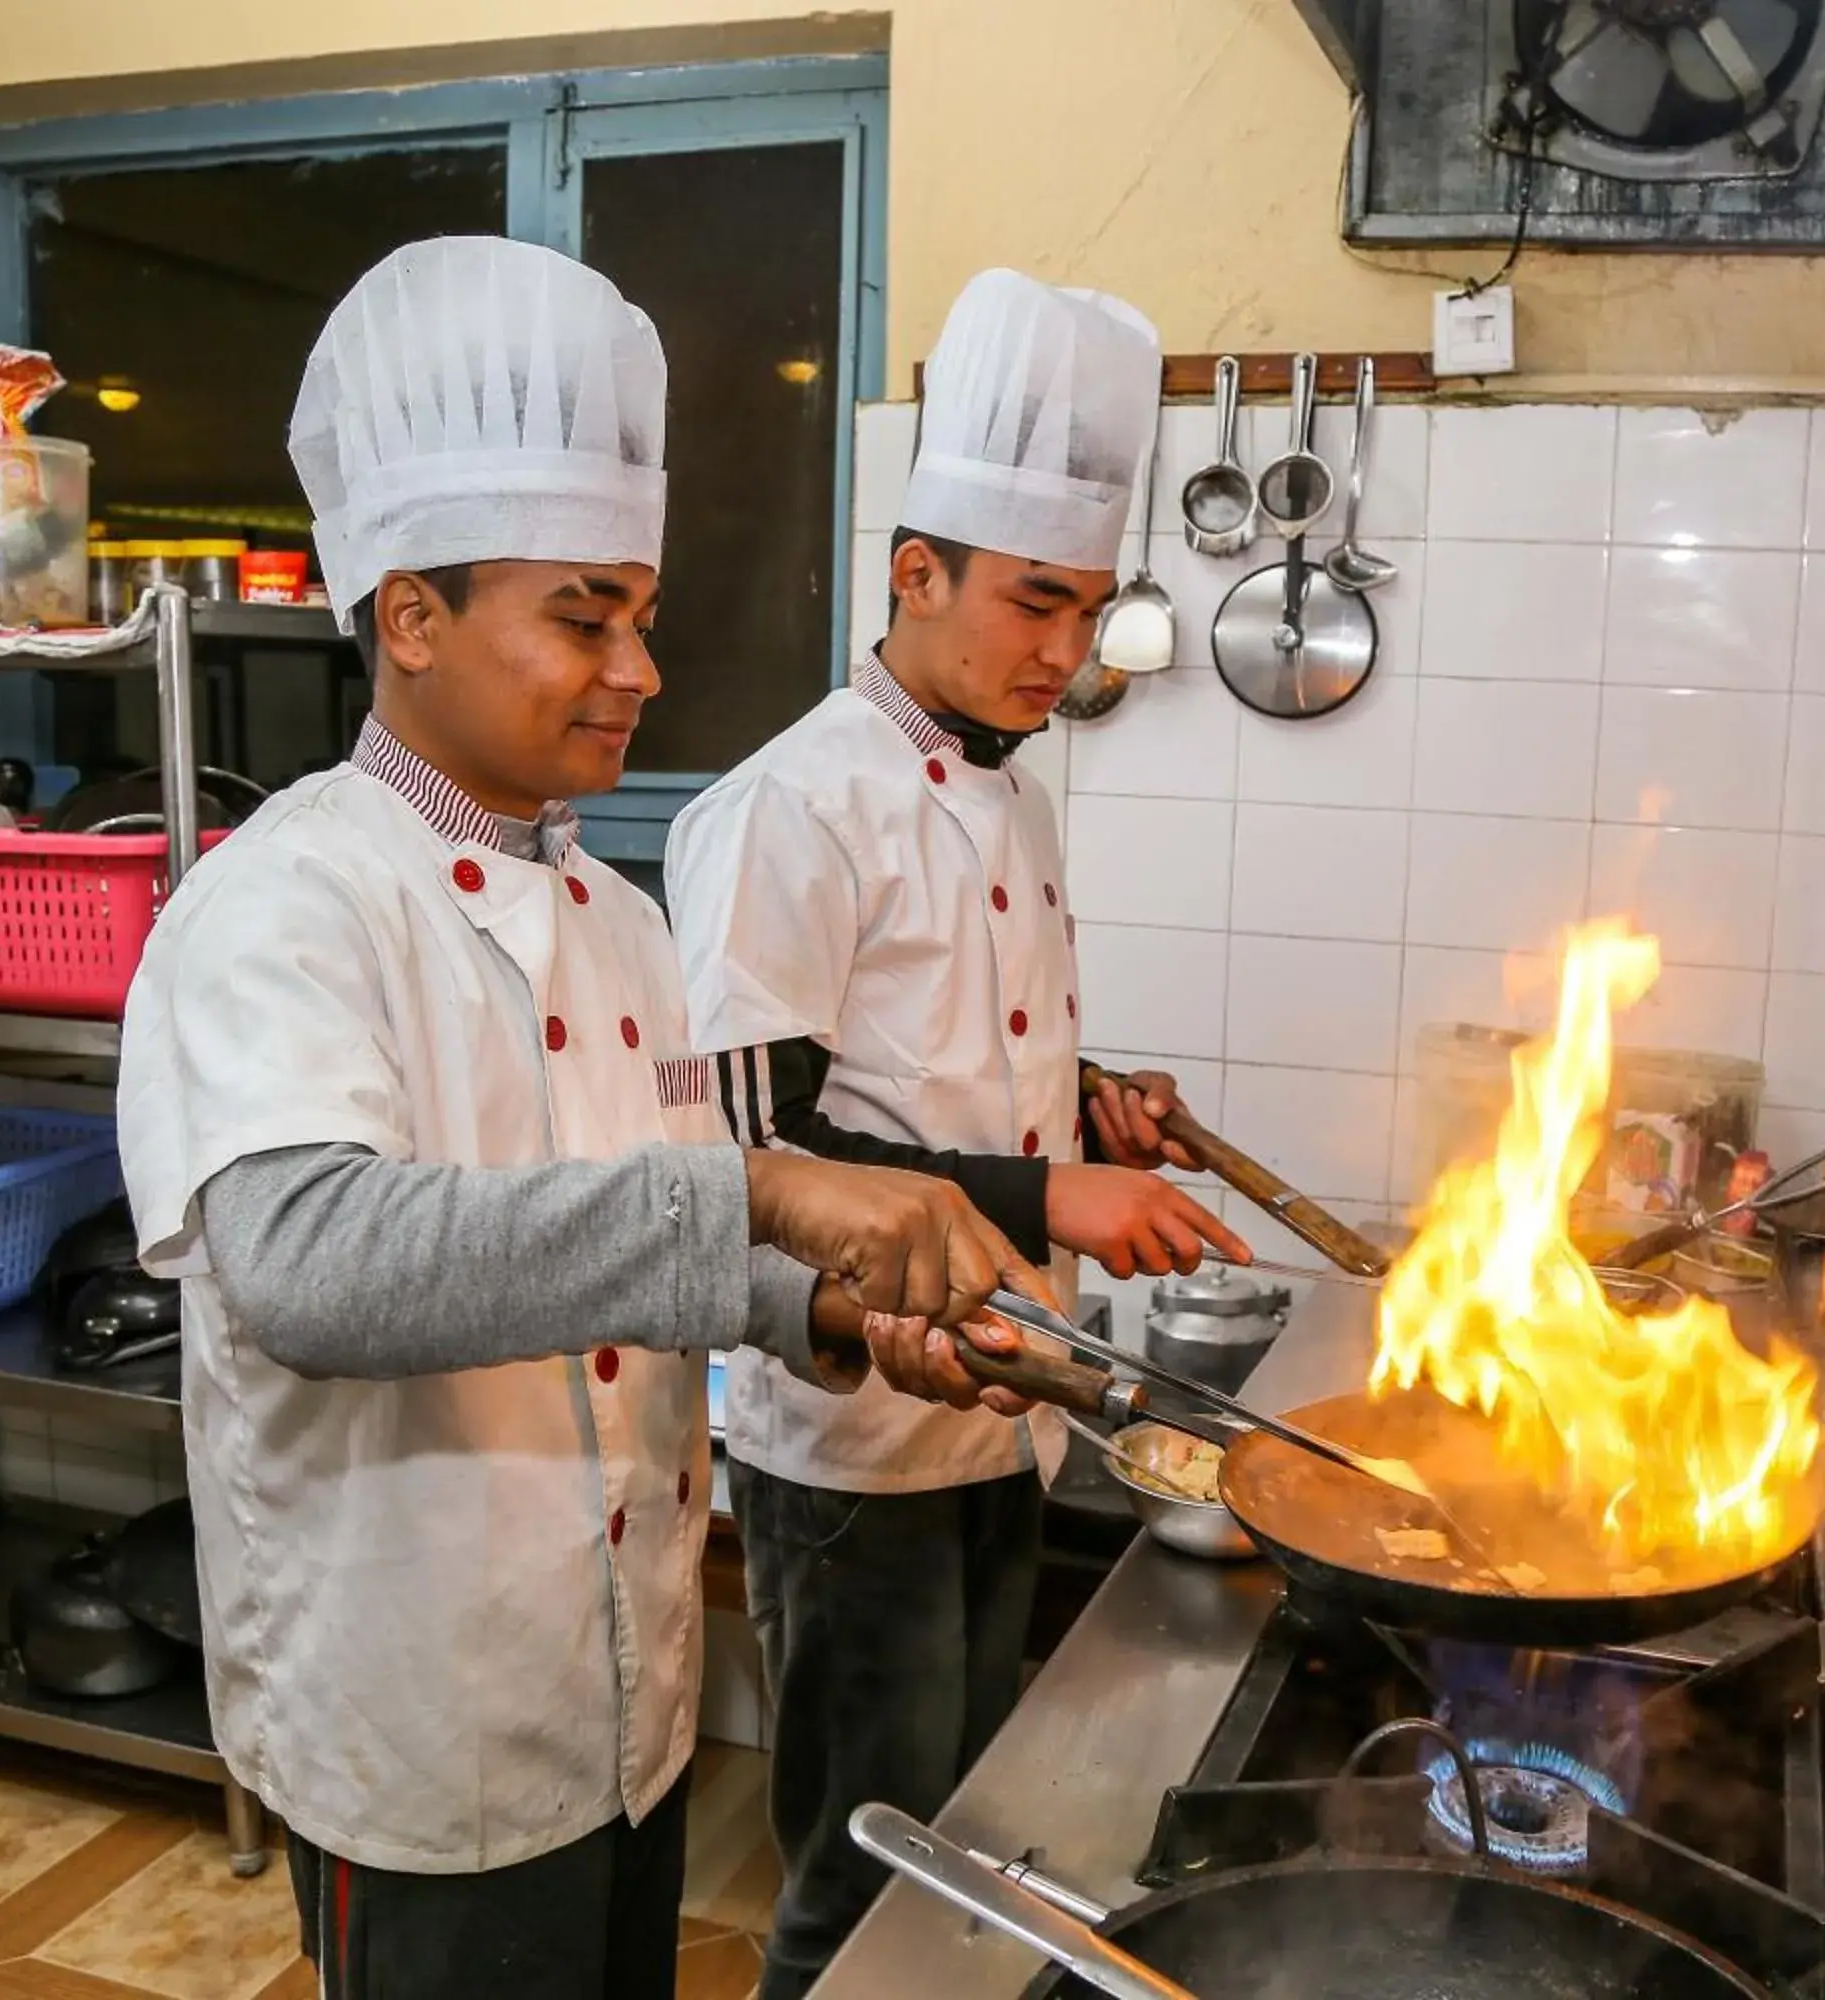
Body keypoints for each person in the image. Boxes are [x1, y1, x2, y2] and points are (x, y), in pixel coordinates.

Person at [116, 236, 1042, 2000]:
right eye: (583, 615)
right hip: (424, 1716)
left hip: (622, 1688)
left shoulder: (618, 923)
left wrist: (840, 1317)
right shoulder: (283, 903)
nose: (641, 667)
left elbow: (660, 1234)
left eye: (638, 613)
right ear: (409, 614)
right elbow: (312, 1266)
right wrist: (773, 1200)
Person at [665, 267, 1249, 2000]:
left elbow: (933, 1072)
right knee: (867, 1877)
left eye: (1088, 613)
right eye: (1035, 603)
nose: (1065, 654)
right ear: (913, 573)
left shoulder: (1011, 789)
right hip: (854, 1435)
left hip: (1008, 1399)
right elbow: (758, 1140)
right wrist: (1054, 1179)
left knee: (971, 1852)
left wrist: (1088, 1099)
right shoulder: (786, 808)